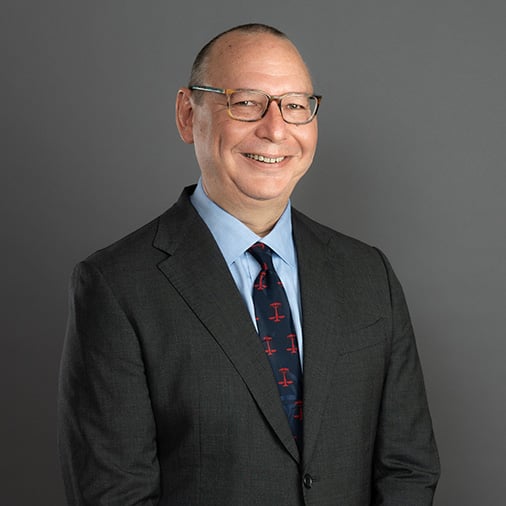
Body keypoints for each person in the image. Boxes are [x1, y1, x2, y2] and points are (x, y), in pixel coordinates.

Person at [58, 23, 440, 505]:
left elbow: (408, 467)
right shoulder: (116, 287)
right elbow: (115, 494)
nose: (275, 129)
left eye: (295, 105)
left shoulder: (368, 274)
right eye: (245, 102)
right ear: (187, 114)